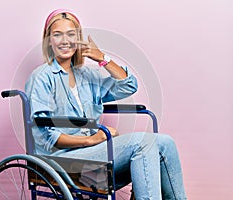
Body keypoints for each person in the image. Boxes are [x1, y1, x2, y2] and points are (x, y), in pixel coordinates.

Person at [25, 9, 187, 200]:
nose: (65, 40)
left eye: (71, 34)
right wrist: (91, 140)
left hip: (94, 153)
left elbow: (128, 85)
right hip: (63, 159)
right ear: (48, 40)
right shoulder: (41, 78)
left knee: (165, 142)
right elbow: (46, 137)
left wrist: (102, 58)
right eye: (57, 35)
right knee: (142, 143)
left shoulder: (88, 76)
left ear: (78, 39)